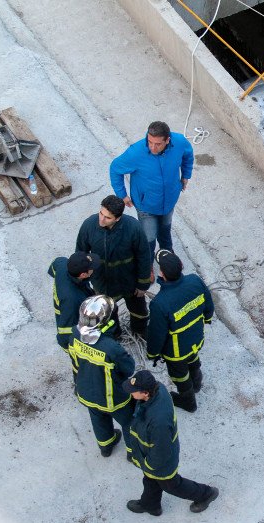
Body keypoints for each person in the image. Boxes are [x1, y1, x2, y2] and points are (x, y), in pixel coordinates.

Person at [122, 370, 219, 516]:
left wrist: (148, 465)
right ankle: (151, 505)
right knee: (150, 480)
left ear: (145, 393)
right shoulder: (156, 390)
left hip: (159, 462)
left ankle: (206, 494)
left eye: (134, 391)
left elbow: (162, 452)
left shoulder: (158, 421)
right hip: (149, 457)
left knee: (172, 485)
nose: (131, 394)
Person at [110, 121, 194, 256]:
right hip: (145, 205)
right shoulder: (136, 153)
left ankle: (167, 255)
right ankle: (147, 264)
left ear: (168, 140)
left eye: (157, 144)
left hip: (169, 201)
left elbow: (188, 155)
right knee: (148, 238)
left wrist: (186, 175)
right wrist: (122, 194)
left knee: (165, 229)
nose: (152, 148)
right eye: (150, 142)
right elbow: (115, 168)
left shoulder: (180, 142)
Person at [146, 249, 214, 413]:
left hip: (176, 350)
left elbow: (157, 334)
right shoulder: (195, 281)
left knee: (179, 375)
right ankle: (197, 383)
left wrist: (152, 353)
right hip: (196, 338)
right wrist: (206, 318)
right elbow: (208, 304)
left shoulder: (160, 303)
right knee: (193, 357)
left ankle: (188, 401)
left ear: (162, 273)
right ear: (181, 266)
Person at [76, 195, 152, 339]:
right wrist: (83, 280)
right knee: (108, 315)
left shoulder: (133, 227)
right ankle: (114, 335)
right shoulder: (89, 226)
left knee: (139, 311)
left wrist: (143, 284)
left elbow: (144, 256)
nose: (101, 219)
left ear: (118, 218)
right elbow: (81, 254)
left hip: (129, 281)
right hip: (102, 283)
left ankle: (140, 330)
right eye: (101, 213)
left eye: (107, 217)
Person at [69, 295, 135, 459]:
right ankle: (133, 454)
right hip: (113, 399)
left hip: (86, 392)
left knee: (98, 419)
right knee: (129, 422)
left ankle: (106, 447)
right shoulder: (111, 348)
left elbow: (75, 364)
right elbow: (128, 369)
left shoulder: (74, 336)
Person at [48, 251, 100, 383]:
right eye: (91, 269)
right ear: (83, 275)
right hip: (70, 322)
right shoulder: (72, 299)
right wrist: (70, 348)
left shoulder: (63, 265)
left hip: (68, 305)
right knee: (80, 364)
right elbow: (65, 330)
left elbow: (54, 265)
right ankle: (81, 385)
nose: (93, 270)